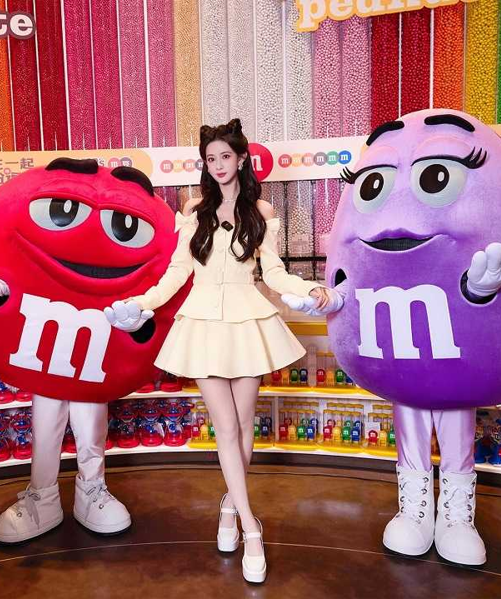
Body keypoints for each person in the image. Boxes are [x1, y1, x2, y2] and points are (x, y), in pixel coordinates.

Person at [104, 119, 341, 583]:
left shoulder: (261, 211)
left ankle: (230, 506)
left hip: (247, 319)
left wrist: (309, 288)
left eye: (225, 157)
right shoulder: (193, 211)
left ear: (241, 159)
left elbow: (273, 273)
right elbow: (177, 273)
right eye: (210, 159)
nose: (217, 165)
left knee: (244, 426)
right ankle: (251, 527)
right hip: (203, 323)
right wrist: (142, 303)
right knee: (226, 426)